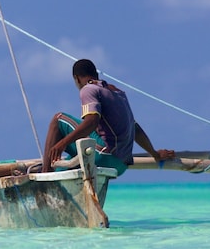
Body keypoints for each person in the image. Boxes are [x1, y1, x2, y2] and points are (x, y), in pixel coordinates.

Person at [42, 59, 174, 175]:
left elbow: (91, 122)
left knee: (58, 119)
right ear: (97, 74)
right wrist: (155, 154)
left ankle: (43, 175)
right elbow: (136, 130)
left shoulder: (88, 89)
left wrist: (61, 144)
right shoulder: (119, 94)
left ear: (76, 78)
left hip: (104, 156)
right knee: (68, 160)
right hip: (121, 165)